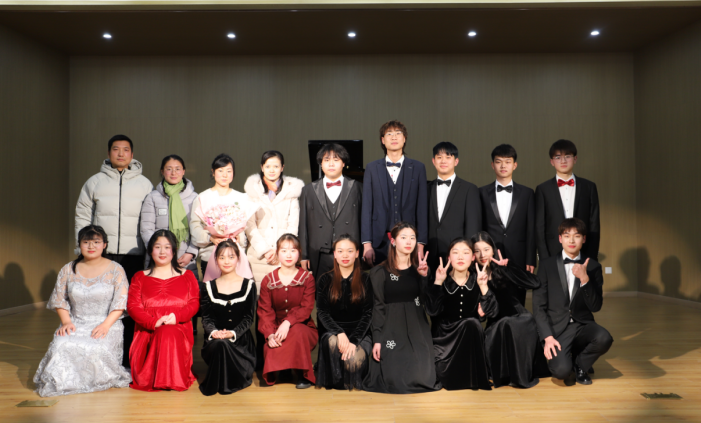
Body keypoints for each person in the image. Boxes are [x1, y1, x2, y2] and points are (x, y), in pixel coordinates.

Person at [74, 134, 153, 367]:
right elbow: (82, 215)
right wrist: (82, 247)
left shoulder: (145, 184)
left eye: (125, 149)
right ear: (109, 153)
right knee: (104, 305)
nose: (120, 153)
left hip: (134, 254)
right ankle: (101, 356)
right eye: (116, 149)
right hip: (103, 255)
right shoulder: (94, 182)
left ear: (132, 154)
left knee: (130, 305)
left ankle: (129, 357)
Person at [34, 225, 131, 397]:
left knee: (95, 347)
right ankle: (62, 382)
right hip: (76, 321)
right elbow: (59, 299)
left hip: (107, 323)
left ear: (104, 245)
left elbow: (120, 303)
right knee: (61, 344)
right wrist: (66, 322)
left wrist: (105, 325)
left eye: (96, 242)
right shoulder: (68, 269)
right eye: (86, 242)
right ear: (79, 244)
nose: (91, 246)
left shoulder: (116, 269)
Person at [363, 222, 441, 394]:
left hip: (416, 327)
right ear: (393, 241)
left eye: (412, 238)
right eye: (403, 237)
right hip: (391, 328)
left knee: (422, 377)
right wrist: (377, 339)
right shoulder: (379, 272)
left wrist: (424, 277)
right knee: (393, 378)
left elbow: (428, 303)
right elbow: (378, 306)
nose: (408, 241)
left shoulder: (421, 269)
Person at [533, 218, 612, 386]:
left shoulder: (593, 267)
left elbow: (596, 306)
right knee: (561, 371)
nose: (571, 240)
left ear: (583, 239)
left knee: (604, 338)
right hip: (557, 328)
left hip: (582, 324)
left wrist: (585, 279)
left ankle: (580, 365)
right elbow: (538, 306)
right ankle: (569, 359)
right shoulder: (546, 265)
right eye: (566, 235)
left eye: (576, 236)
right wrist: (547, 337)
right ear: (560, 238)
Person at [471, 231, 548, 388]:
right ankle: (510, 375)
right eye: (477, 251)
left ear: (493, 250)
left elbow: (534, 283)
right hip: (496, 323)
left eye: (486, 249)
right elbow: (482, 313)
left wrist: (509, 267)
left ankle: (520, 374)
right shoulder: (473, 276)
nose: (482, 255)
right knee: (506, 324)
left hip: (519, 316)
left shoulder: (503, 268)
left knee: (518, 322)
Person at [127, 230, 200, 392]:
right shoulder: (139, 277)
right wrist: (153, 322)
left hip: (179, 327)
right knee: (164, 332)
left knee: (168, 332)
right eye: (157, 247)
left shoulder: (187, 276)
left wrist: (176, 317)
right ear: (150, 250)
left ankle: (168, 378)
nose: (162, 252)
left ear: (174, 251)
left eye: (167, 247)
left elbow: (194, 303)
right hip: (148, 330)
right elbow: (133, 307)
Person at [425, 238, 497, 391]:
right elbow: (431, 311)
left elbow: (493, 312)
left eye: (465, 253)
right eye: (455, 253)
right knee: (440, 372)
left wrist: (483, 286)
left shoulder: (478, 279)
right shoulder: (441, 279)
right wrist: (438, 282)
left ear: (473, 257)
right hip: (444, 340)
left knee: (471, 323)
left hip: (469, 342)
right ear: (449, 257)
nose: (460, 257)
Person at [361, 120, 428, 267]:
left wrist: (420, 244)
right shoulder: (372, 168)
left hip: (409, 241)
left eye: (398, 133)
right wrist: (367, 244)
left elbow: (422, 209)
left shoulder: (418, 168)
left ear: (404, 139)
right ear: (383, 140)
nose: (394, 137)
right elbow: (366, 207)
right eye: (389, 134)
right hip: (379, 241)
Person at [257, 234, 317, 389]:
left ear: (299, 253)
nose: (288, 255)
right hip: (276, 328)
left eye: (293, 250)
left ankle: (303, 374)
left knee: (297, 331)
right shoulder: (268, 280)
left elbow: (306, 308)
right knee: (272, 344)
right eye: (284, 250)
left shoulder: (307, 278)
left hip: (303, 327)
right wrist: (270, 334)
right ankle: (284, 369)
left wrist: (288, 322)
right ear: (277, 253)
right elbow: (265, 311)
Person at [199, 240, 257, 396]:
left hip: (241, 341)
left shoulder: (249, 285)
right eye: (222, 257)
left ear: (238, 258)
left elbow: (248, 318)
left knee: (224, 343)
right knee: (220, 343)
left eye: (231, 257)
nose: (226, 261)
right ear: (216, 260)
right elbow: (206, 318)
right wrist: (215, 332)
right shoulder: (208, 287)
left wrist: (232, 333)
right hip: (216, 339)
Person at [315, 235, 373, 391]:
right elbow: (322, 313)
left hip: (359, 333)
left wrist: (354, 340)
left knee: (353, 362)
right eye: (340, 251)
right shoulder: (324, 279)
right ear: (335, 254)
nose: (345, 255)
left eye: (350, 251)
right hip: (333, 333)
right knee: (333, 343)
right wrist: (339, 332)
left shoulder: (366, 279)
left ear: (357, 253)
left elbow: (368, 314)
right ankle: (335, 377)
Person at [190, 154, 258, 282]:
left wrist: (239, 237)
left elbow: (246, 227)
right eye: (220, 170)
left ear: (233, 173)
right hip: (210, 256)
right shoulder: (202, 198)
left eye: (229, 171)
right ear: (213, 172)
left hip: (235, 257)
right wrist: (210, 238)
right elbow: (195, 229)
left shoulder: (242, 198)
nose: (224, 175)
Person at [298, 143, 362, 279]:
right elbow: (303, 225)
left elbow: (364, 220)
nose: (331, 164)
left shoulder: (357, 187)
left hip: (348, 252)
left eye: (336, 159)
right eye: (326, 160)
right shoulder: (308, 190)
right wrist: (304, 255)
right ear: (321, 164)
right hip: (319, 253)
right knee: (321, 289)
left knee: (350, 289)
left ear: (343, 163)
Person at [245, 150, 305, 286]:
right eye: (267, 166)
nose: (272, 170)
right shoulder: (252, 192)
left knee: (282, 294)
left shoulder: (291, 192)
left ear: (282, 167)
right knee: (259, 295)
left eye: (276, 166)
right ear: (262, 167)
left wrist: (280, 250)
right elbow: (249, 226)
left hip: (283, 256)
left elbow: (293, 225)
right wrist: (265, 250)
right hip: (258, 254)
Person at [535, 139, 601, 260]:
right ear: (552, 162)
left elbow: (594, 224)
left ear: (575, 159)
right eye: (558, 157)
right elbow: (539, 226)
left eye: (567, 156)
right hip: (552, 251)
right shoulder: (542, 189)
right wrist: (544, 257)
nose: (563, 161)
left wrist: (592, 256)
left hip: (583, 250)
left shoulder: (589, 187)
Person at [479, 144, 536, 275]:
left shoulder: (527, 193)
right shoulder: (481, 192)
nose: (503, 166)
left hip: (519, 255)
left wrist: (531, 259)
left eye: (508, 162)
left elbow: (531, 229)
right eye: (498, 162)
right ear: (492, 165)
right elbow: (479, 226)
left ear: (515, 165)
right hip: (490, 255)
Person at [426, 142, 482, 273]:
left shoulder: (469, 189)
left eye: (448, 157)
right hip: (429, 253)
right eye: (439, 157)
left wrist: (467, 254)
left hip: (457, 255)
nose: (443, 161)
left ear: (456, 161)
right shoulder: (425, 188)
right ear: (433, 161)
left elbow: (473, 226)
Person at [141, 155, 198, 274]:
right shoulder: (153, 197)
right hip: (158, 259)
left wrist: (191, 252)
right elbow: (146, 229)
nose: (173, 173)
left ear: (183, 171)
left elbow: (198, 229)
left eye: (177, 169)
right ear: (162, 171)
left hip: (184, 259)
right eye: (169, 169)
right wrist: (157, 251)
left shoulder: (195, 198)